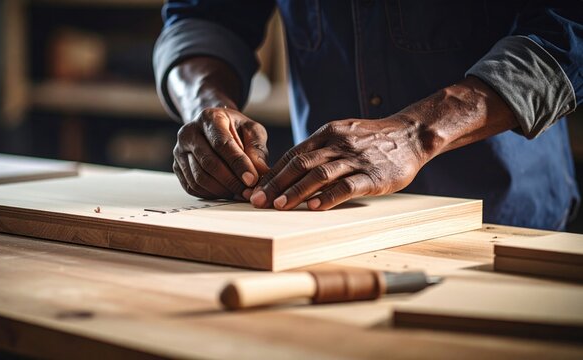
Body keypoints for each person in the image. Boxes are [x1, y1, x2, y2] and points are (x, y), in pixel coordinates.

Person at [153, 1, 582, 230]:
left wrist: (417, 133)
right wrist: (207, 106)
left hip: (502, 218)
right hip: (323, 227)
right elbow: (204, 16)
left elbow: (570, 27)